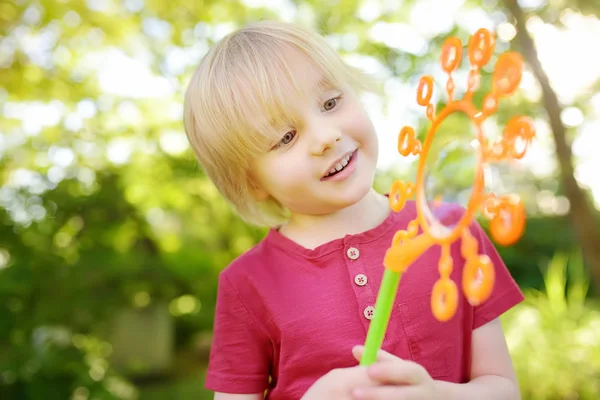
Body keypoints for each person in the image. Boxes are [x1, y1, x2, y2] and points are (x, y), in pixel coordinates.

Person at [183, 20, 524, 400]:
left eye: (330, 103)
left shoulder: (450, 231)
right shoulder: (246, 283)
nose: (326, 136)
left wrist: (436, 395)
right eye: (285, 137)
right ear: (253, 183)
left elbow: (503, 389)